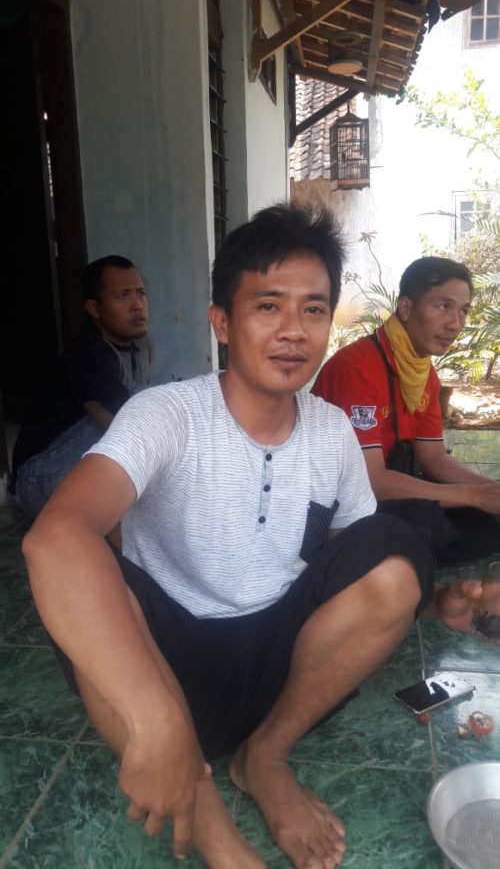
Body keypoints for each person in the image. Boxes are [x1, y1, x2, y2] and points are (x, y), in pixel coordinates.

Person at [23, 208, 484, 869]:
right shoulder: (167, 413)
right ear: (222, 322)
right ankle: (210, 821)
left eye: (313, 309)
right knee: (81, 573)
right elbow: (54, 537)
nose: (293, 330)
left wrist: (431, 601)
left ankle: (263, 758)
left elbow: (359, 569)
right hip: (166, 669)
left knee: (399, 546)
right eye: (268, 306)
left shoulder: (331, 431)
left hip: (282, 674)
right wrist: (157, 717)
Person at [313, 255, 500, 563]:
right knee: (433, 525)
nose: (455, 323)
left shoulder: (424, 374)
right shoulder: (357, 367)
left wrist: (490, 490)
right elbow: (371, 481)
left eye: (463, 310)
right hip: (340, 501)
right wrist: (475, 495)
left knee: (481, 520)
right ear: (406, 308)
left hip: (390, 485)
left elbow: (434, 458)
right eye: (443, 306)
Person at [12, 255, 151, 517]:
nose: (137, 305)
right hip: (36, 479)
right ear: (94, 309)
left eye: (141, 293)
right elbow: (121, 426)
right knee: (141, 406)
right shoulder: (91, 353)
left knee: (147, 410)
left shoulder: (139, 344)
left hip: (74, 472)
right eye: (123, 295)